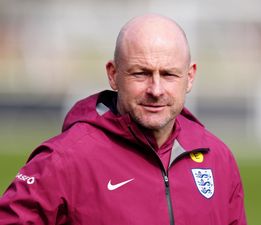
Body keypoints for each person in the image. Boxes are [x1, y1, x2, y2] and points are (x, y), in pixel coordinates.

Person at [0, 14, 247, 225]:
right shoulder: (64, 160)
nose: (156, 89)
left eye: (169, 74)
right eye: (141, 73)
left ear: (190, 77)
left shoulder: (218, 158)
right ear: (113, 74)